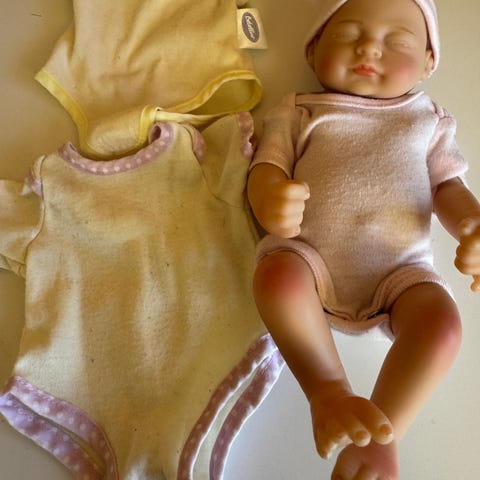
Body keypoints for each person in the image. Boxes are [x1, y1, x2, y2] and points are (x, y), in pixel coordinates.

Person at [247, 0, 480, 478]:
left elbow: (447, 188)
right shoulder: (299, 110)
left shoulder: (428, 120)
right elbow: (266, 165)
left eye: (397, 41)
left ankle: (382, 437)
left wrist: (472, 224)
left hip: (401, 274)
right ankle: (328, 392)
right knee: (276, 278)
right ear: (313, 51)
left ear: (429, 62)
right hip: (309, 258)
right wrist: (268, 197)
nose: (370, 47)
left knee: (442, 325)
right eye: (347, 34)